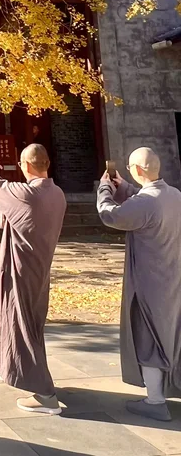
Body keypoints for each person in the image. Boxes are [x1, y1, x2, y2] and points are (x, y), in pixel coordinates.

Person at [97, 146, 181, 422]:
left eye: (132, 168)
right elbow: (145, 202)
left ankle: (156, 401)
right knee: (171, 335)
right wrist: (128, 187)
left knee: (148, 338)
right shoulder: (174, 195)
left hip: (149, 282)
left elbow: (111, 214)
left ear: (139, 170)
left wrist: (105, 190)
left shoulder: (145, 203)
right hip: (173, 278)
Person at [0, 144, 66, 415]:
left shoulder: (27, 195)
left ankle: (45, 394)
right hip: (41, 270)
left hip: (21, 270)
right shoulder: (57, 194)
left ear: (25, 166)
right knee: (29, 324)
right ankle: (15, 371)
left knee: (22, 325)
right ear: (47, 162)